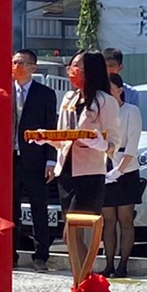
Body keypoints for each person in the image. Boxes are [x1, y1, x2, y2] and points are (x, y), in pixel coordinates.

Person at [50, 50, 119, 222]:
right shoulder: (69, 98)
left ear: (90, 69)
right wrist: (46, 139)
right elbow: (62, 136)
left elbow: (114, 142)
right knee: (68, 225)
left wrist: (101, 145)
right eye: (71, 66)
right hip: (65, 171)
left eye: (76, 66)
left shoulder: (105, 101)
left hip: (89, 172)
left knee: (82, 224)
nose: (71, 71)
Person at [11, 48, 59, 268]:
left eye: (22, 63)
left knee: (38, 207)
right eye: (14, 62)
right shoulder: (4, 90)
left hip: (36, 159)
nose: (17, 67)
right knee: (10, 208)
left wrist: (51, 161)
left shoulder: (45, 94)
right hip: (11, 158)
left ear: (33, 67)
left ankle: (41, 256)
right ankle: (11, 254)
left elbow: (51, 128)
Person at [101, 66, 144, 277]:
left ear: (119, 90)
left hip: (126, 169)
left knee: (125, 219)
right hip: (106, 167)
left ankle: (123, 264)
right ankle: (108, 263)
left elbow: (132, 146)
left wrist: (119, 170)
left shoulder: (131, 111)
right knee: (108, 220)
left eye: (110, 88)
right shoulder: (101, 113)